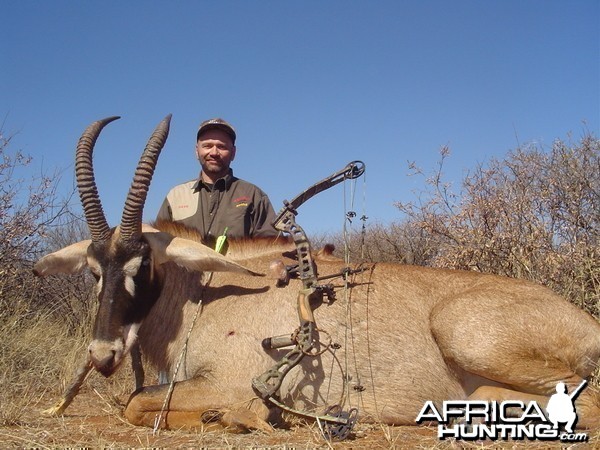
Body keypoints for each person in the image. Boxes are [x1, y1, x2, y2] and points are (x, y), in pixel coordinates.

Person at [156, 118, 277, 247]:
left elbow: (271, 249)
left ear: (233, 153)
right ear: (197, 151)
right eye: (207, 146)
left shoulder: (254, 195)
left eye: (221, 146)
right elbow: (157, 245)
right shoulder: (175, 196)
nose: (214, 152)